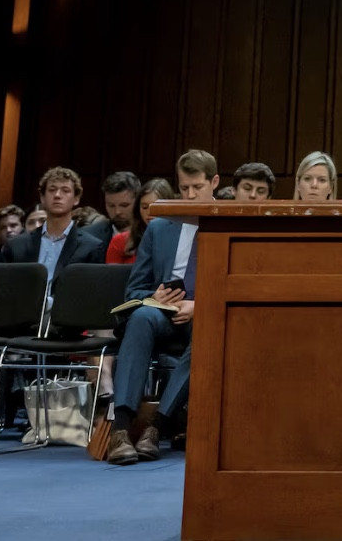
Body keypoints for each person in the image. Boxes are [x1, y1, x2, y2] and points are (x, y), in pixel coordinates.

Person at [106, 152, 216, 466]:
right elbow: (135, 289)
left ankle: (157, 427)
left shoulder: (226, 224)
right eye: (184, 188)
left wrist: (200, 305)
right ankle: (121, 428)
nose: (191, 196)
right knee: (140, 317)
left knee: (210, 330)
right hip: (162, 311)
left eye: (197, 187)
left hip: (204, 314)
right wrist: (154, 296)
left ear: (214, 182)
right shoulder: (159, 228)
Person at [0, 168, 104, 283]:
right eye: (52, 190)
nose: (57, 195)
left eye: (65, 190)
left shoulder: (91, 247)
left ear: (76, 199)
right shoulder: (16, 246)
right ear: (42, 198)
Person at [109, 178, 176, 266]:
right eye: (144, 207)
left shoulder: (180, 240)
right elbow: (110, 277)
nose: (149, 212)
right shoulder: (120, 241)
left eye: (155, 207)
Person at [82, 172, 141, 260]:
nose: (117, 212)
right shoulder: (88, 236)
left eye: (124, 205)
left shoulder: (152, 234)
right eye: (111, 205)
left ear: (138, 202)